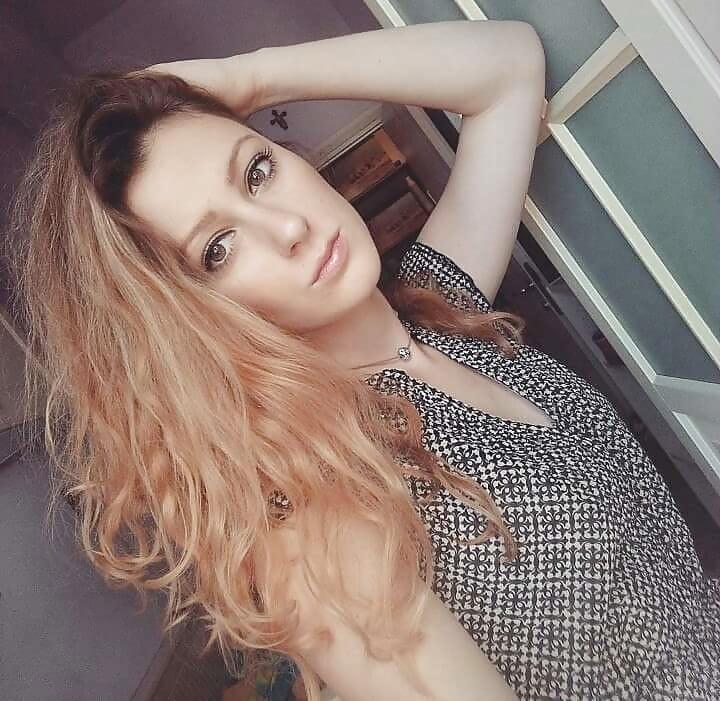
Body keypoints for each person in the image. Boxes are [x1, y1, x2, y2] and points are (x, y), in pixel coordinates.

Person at [4, 19, 718, 701]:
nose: (288, 226)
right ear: (187, 326)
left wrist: (248, 76)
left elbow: (509, 68)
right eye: (217, 249)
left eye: (256, 171)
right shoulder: (319, 505)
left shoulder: (439, 309)